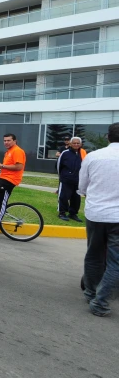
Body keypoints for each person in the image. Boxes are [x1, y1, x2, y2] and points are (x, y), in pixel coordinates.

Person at [78, 123, 119, 316]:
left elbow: (82, 187)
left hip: (95, 214)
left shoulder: (93, 156)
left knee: (93, 255)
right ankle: (100, 302)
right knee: (115, 262)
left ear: (107, 136)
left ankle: (91, 293)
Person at [0, 134, 26, 231]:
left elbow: (19, 167)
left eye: (9, 140)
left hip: (10, 180)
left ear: (15, 141)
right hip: (2, 178)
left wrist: (2, 166)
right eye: (4, 140)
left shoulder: (17, 151)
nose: (6, 142)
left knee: (1, 202)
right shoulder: (9, 151)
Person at [57, 136, 84, 222]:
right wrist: (62, 176)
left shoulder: (83, 153)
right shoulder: (65, 153)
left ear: (80, 144)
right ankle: (62, 213)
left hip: (77, 180)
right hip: (66, 180)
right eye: (74, 143)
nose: (76, 144)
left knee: (76, 198)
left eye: (78, 143)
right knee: (64, 197)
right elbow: (58, 166)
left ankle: (73, 213)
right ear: (70, 144)